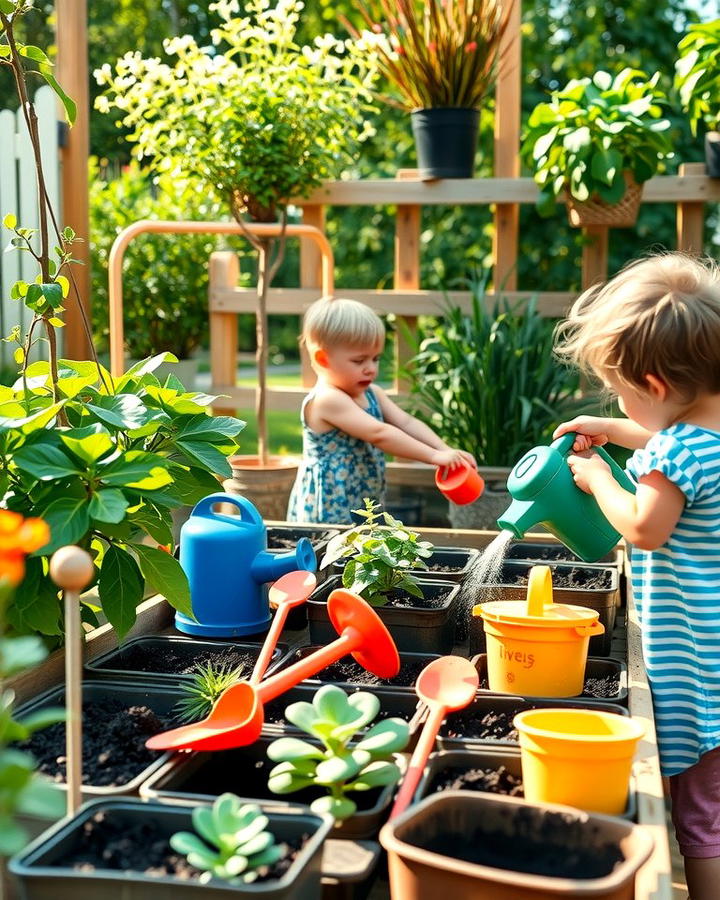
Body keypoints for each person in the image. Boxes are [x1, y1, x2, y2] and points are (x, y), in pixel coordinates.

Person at [553, 252, 720, 900]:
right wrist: (613, 430)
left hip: (691, 666)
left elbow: (644, 527)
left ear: (652, 382)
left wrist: (599, 477)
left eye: (618, 392)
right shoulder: (704, 431)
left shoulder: (676, 453)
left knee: (699, 822)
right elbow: (666, 441)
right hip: (716, 653)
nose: (616, 402)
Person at [287, 296, 477, 524]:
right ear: (323, 359)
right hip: (331, 507)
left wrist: (445, 450)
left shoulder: (372, 393)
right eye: (359, 361)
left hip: (364, 497)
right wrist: (434, 457)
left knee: (366, 551)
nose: (371, 369)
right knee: (331, 555)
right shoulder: (327, 400)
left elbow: (406, 422)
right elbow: (380, 433)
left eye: (375, 359)